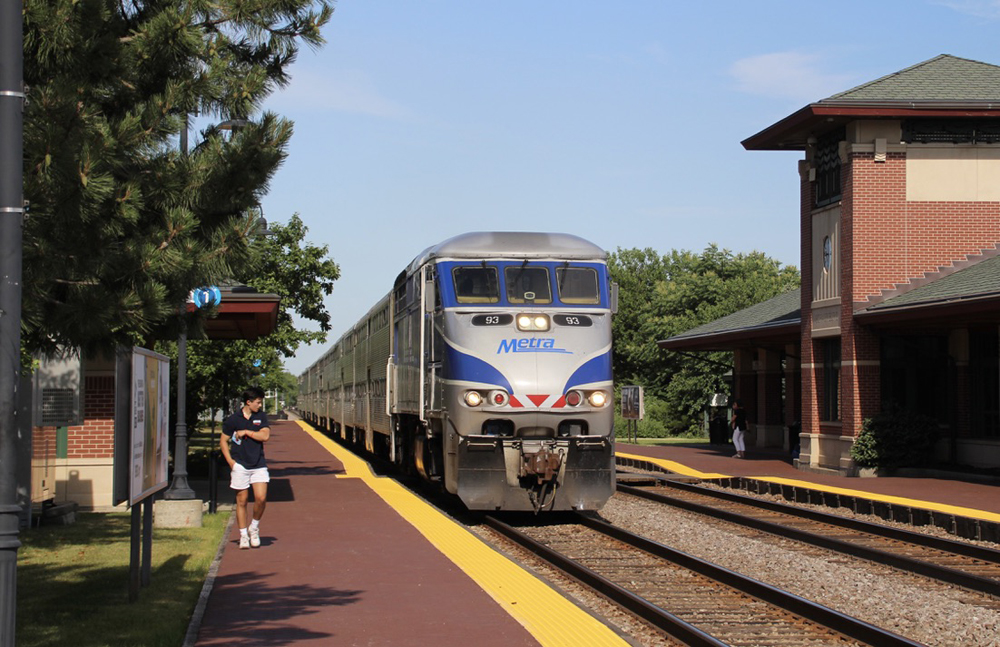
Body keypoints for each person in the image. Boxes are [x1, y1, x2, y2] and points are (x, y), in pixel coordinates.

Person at [221, 386, 271, 549]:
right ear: (248, 402)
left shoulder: (260, 417)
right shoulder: (233, 419)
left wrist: (247, 432)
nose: (260, 405)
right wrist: (231, 462)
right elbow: (223, 441)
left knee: (261, 498)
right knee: (241, 501)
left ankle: (254, 528)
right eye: (258, 402)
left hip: (258, 464)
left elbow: (265, 436)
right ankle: (243, 535)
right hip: (240, 465)